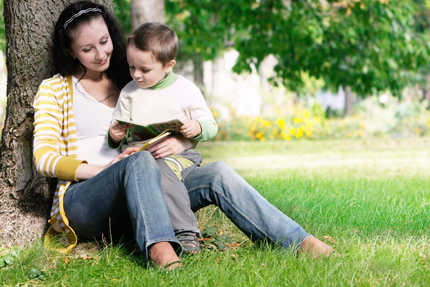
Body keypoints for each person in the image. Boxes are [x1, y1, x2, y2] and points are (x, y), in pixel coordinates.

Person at [33, 1, 335, 270]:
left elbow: (174, 122)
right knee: (136, 162)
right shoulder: (55, 89)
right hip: (87, 202)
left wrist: (182, 141)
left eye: (104, 41)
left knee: (216, 173)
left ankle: (298, 241)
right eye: (88, 49)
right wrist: (106, 169)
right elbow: (44, 159)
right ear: (70, 50)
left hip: (143, 193)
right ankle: (163, 253)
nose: (101, 54)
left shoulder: (134, 79)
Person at [108, 22, 218, 254]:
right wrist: (115, 135)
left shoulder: (185, 90)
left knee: (162, 168)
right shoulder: (129, 92)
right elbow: (118, 133)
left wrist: (196, 127)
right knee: (152, 166)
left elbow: (211, 126)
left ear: (168, 66)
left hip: (180, 156)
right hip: (139, 158)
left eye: (145, 70)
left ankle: (185, 232)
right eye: (131, 67)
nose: (136, 74)